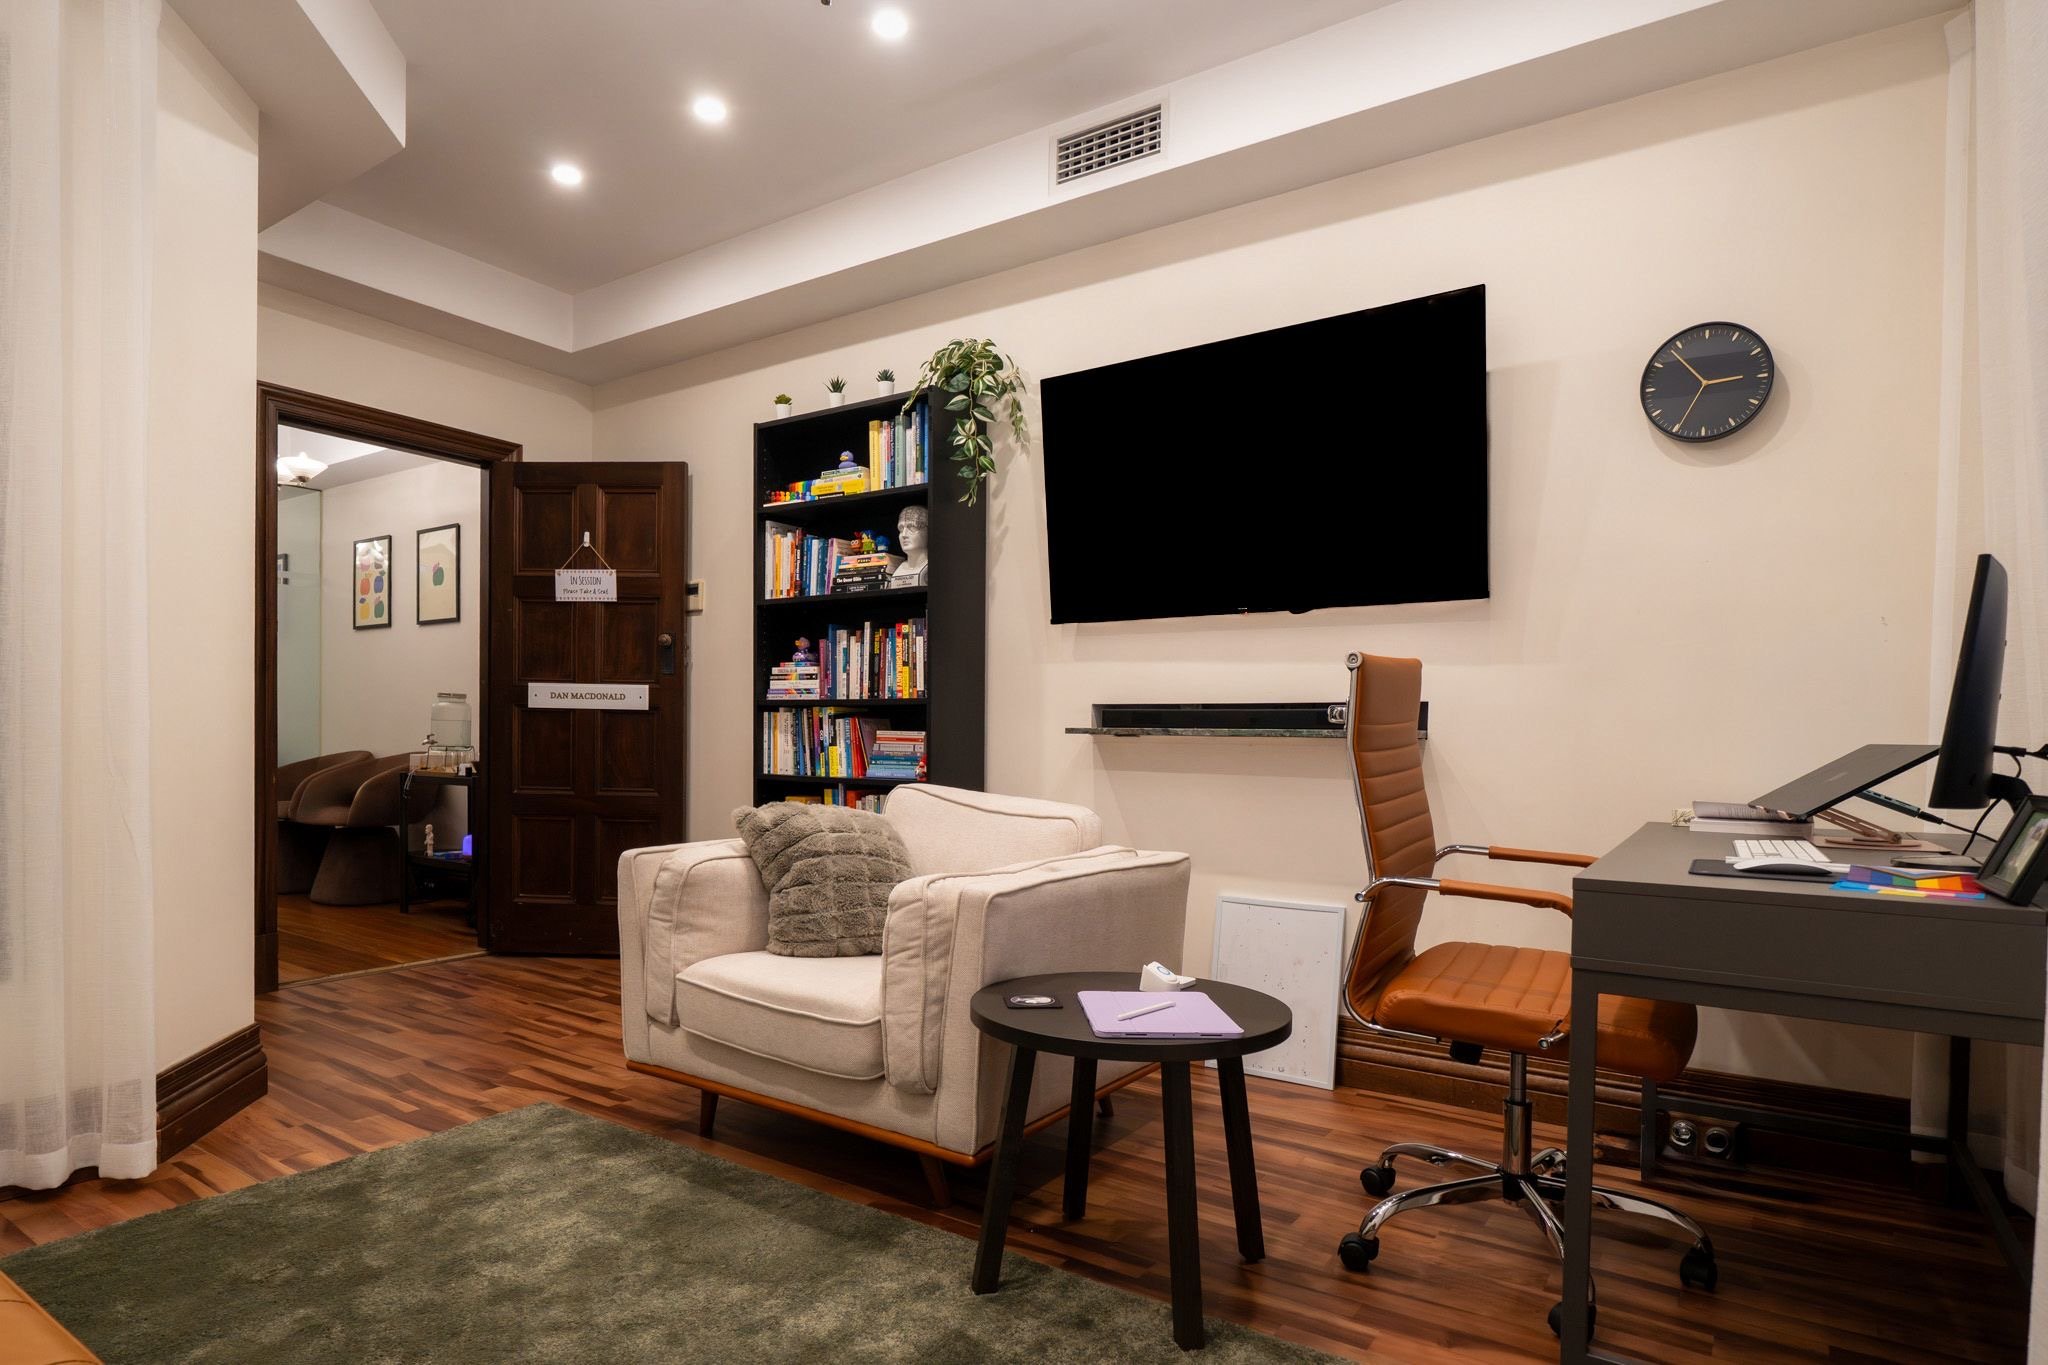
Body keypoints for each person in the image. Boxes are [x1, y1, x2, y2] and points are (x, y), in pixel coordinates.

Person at [890, 505, 929, 587]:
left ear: (927, 531)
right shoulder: (899, 569)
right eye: (901, 529)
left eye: (911, 528)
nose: (904, 535)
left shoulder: (934, 567)